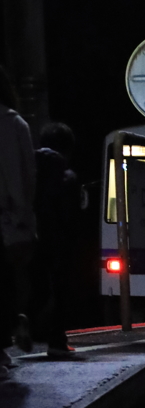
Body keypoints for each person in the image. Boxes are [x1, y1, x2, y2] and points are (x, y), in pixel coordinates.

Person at [32, 121, 80, 356]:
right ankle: (57, 341)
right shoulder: (63, 170)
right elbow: (68, 210)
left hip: (27, 234)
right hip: (56, 238)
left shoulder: (30, 163)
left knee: (32, 287)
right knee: (60, 289)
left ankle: (20, 326)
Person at [0, 65, 36, 379]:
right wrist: (23, 216)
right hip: (9, 221)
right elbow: (24, 178)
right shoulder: (15, 124)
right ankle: (14, 325)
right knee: (10, 282)